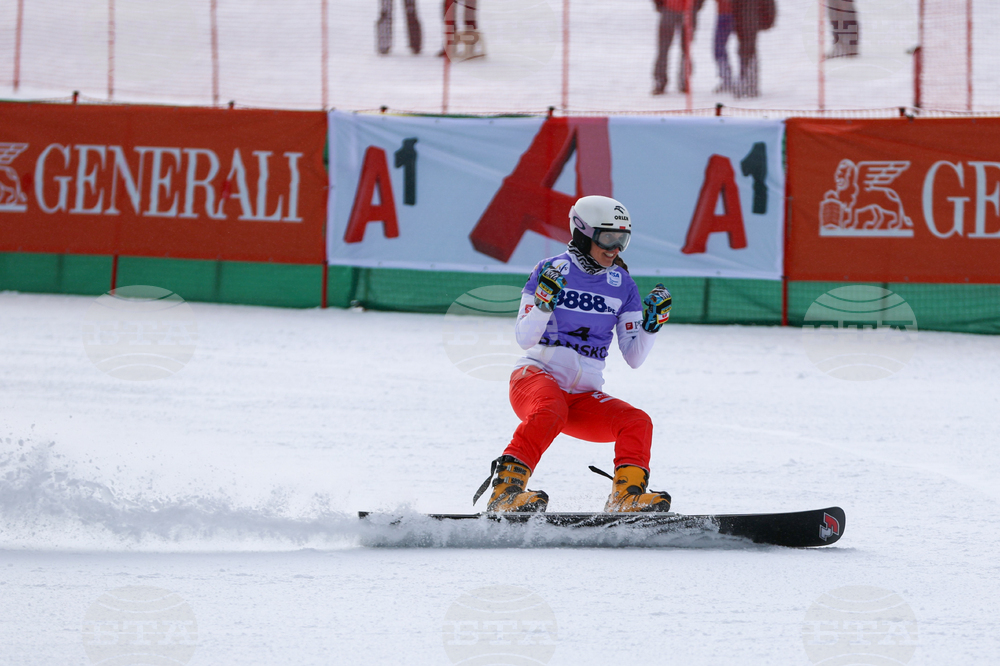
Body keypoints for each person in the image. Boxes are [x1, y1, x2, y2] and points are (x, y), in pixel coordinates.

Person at [473, 196, 674, 513]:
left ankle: (625, 498)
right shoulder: (552, 269)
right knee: (551, 407)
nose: (615, 249)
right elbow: (525, 339)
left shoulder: (622, 284)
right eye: (608, 238)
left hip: (581, 397)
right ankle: (505, 493)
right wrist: (543, 304)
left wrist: (651, 326)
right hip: (535, 378)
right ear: (583, 233)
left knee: (637, 422)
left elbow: (634, 358)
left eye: (623, 239)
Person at [652, 0, 707, 96]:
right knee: (663, 49)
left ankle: (684, 81)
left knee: (686, 50)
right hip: (668, 10)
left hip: (689, 11)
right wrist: (660, 5)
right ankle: (660, 82)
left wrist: (695, 7)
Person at [732, 0, 776, 98]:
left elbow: (769, 5)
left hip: (751, 20)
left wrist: (768, 20)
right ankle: (745, 80)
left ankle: (751, 84)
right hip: (742, 20)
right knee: (743, 51)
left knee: (749, 51)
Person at [713, 0, 735, 93]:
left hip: (737, 14)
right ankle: (727, 79)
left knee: (719, 48)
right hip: (724, 14)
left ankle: (743, 80)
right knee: (719, 48)